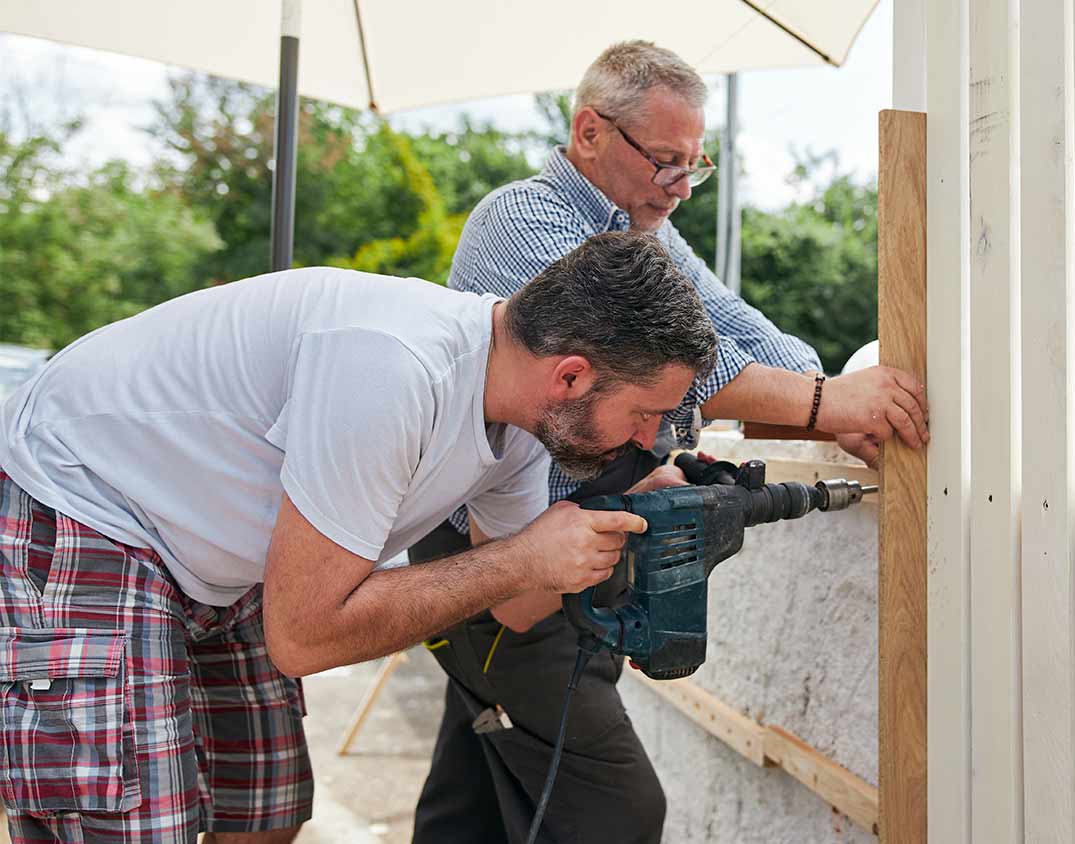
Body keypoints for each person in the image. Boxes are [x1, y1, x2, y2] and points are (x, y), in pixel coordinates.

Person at [0, 230, 717, 844]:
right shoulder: (395, 368)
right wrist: (524, 555)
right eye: (647, 413)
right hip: (85, 500)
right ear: (570, 376)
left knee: (265, 808)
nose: (650, 439)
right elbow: (306, 637)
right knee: (134, 822)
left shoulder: (529, 429)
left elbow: (517, 607)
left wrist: (622, 518)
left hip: (214, 547)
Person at [409, 40, 930, 844]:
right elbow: (647, 361)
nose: (681, 188)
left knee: (473, 796)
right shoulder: (523, 218)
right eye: (663, 160)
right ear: (589, 133)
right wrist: (827, 402)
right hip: (496, 559)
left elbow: (747, 335)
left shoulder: (644, 234)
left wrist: (821, 390)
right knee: (617, 810)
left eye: (696, 165)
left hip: (559, 552)